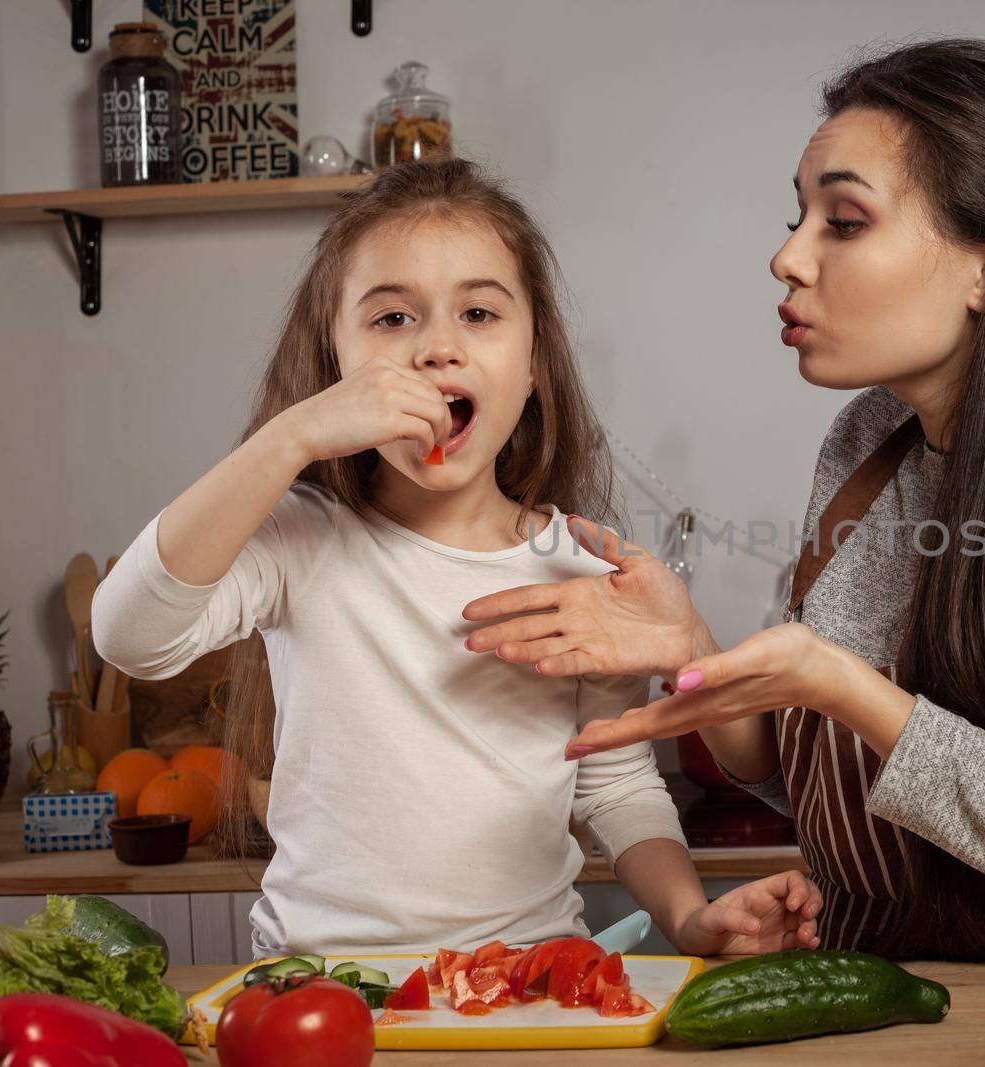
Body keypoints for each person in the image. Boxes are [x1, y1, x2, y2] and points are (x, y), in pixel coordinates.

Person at [461, 39, 985, 960]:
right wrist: (692, 647)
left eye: (845, 221)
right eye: (800, 217)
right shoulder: (869, 442)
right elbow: (816, 780)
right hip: (871, 993)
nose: (787, 259)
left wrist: (846, 686)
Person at [93, 158, 822, 959]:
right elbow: (128, 635)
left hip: (528, 988)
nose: (438, 348)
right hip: (324, 991)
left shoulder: (582, 572)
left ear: (535, 361)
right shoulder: (298, 538)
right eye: (391, 319)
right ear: (335, 362)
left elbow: (616, 785)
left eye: (478, 312)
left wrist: (688, 917)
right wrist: (291, 434)